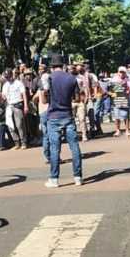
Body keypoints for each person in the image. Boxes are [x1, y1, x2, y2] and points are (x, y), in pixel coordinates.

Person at [43, 55, 83, 188]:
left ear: (52, 66)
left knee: (55, 149)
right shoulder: (71, 78)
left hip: (53, 116)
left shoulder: (50, 78)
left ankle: (54, 179)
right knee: (74, 147)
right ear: (63, 65)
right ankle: (78, 177)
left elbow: (44, 99)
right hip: (67, 115)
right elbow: (77, 98)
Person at [2, 69, 30, 149]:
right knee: (10, 125)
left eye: (9, 76)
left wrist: (26, 106)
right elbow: (4, 95)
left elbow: (24, 94)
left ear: (12, 75)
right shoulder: (5, 85)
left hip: (17, 104)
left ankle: (23, 142)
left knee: (19, 124)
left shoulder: (18, 83)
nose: (8, 78)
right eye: (6, 77)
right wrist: (3, 97)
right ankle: (16, 142)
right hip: (9, 106)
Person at [110, 67, 130, 137]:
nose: (121, 73)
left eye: (123, 72)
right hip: (116, 100)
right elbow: (111, 89)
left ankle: (127, 130)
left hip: (125, 99)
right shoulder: (114, 79)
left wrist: (128, 90)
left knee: (126, 116)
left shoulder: (127, 79)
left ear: (125, 73)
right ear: (118, 72)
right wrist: (112, 93)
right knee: (117, 116)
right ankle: (117, 130)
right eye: (120, 72)